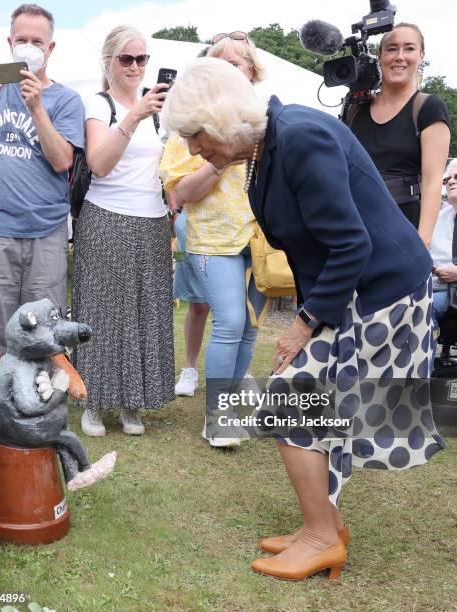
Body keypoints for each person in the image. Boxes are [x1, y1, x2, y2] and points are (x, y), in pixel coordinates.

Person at [162, 57, 445, 581]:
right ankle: (325, 527)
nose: (195, 148)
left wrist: (305, 322)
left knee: (293, 399)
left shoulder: (299, 136)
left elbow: (350, 243)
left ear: (223, 119)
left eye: (197, 134)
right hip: (353, 289)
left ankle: (322, 536)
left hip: (383, 289)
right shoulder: (265, 147)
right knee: (303, 402)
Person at [0, 3, 84, 381]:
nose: (29, 46)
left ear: (51, 48)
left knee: (42, 331)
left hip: (46, 232)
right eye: (22, 40)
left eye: (37, 41)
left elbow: (62, 161)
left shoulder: (66, 100)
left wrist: (37, 106)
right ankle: (2, 414)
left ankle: (35, 411)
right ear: (10, 43)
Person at [160, 32, 266, 448]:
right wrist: (223, 159)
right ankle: (216, 418)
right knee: (231, 322)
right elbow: (179, 194)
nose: (227, 72)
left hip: (262, 241)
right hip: (214, 240)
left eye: (235, 64)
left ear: (251, 72)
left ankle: (232, 403)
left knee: (250, 330)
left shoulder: (267, 122)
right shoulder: (189, 123)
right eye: (217, 64)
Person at [72, 25, 174, 438]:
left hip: (151, 220)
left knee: (145, 311)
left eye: (142, 58)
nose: (135, 66)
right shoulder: (98, 104)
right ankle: (93, 403)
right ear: (109, 62)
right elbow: (99, 164)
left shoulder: (160, 109)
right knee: (101, 311)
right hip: (105, 216)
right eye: (126, 58)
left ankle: (134, 403)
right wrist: (134, 115)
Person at [347, 22, 450, 247]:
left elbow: (432, 183)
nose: (400, 56)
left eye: (409, 48)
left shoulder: (427, 107)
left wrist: (422, 243)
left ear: (421, 55)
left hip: (404, 232)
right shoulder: (355, 109)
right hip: (355, 233)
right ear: (379, 55)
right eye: (392, 48)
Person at [172, 208, 210, 396]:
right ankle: (189, 370)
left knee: (238, 307)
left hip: (234, 225)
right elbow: (172, 183)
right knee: (199, 305)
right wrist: (176, 212)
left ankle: (242, 371)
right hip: (192, 224)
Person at [430, 159, 457, 331]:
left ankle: (424, 356)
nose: (451, 181)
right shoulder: (437, 218)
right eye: (447, 179)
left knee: (421, 311)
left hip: (445, 294)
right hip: (434, 287)